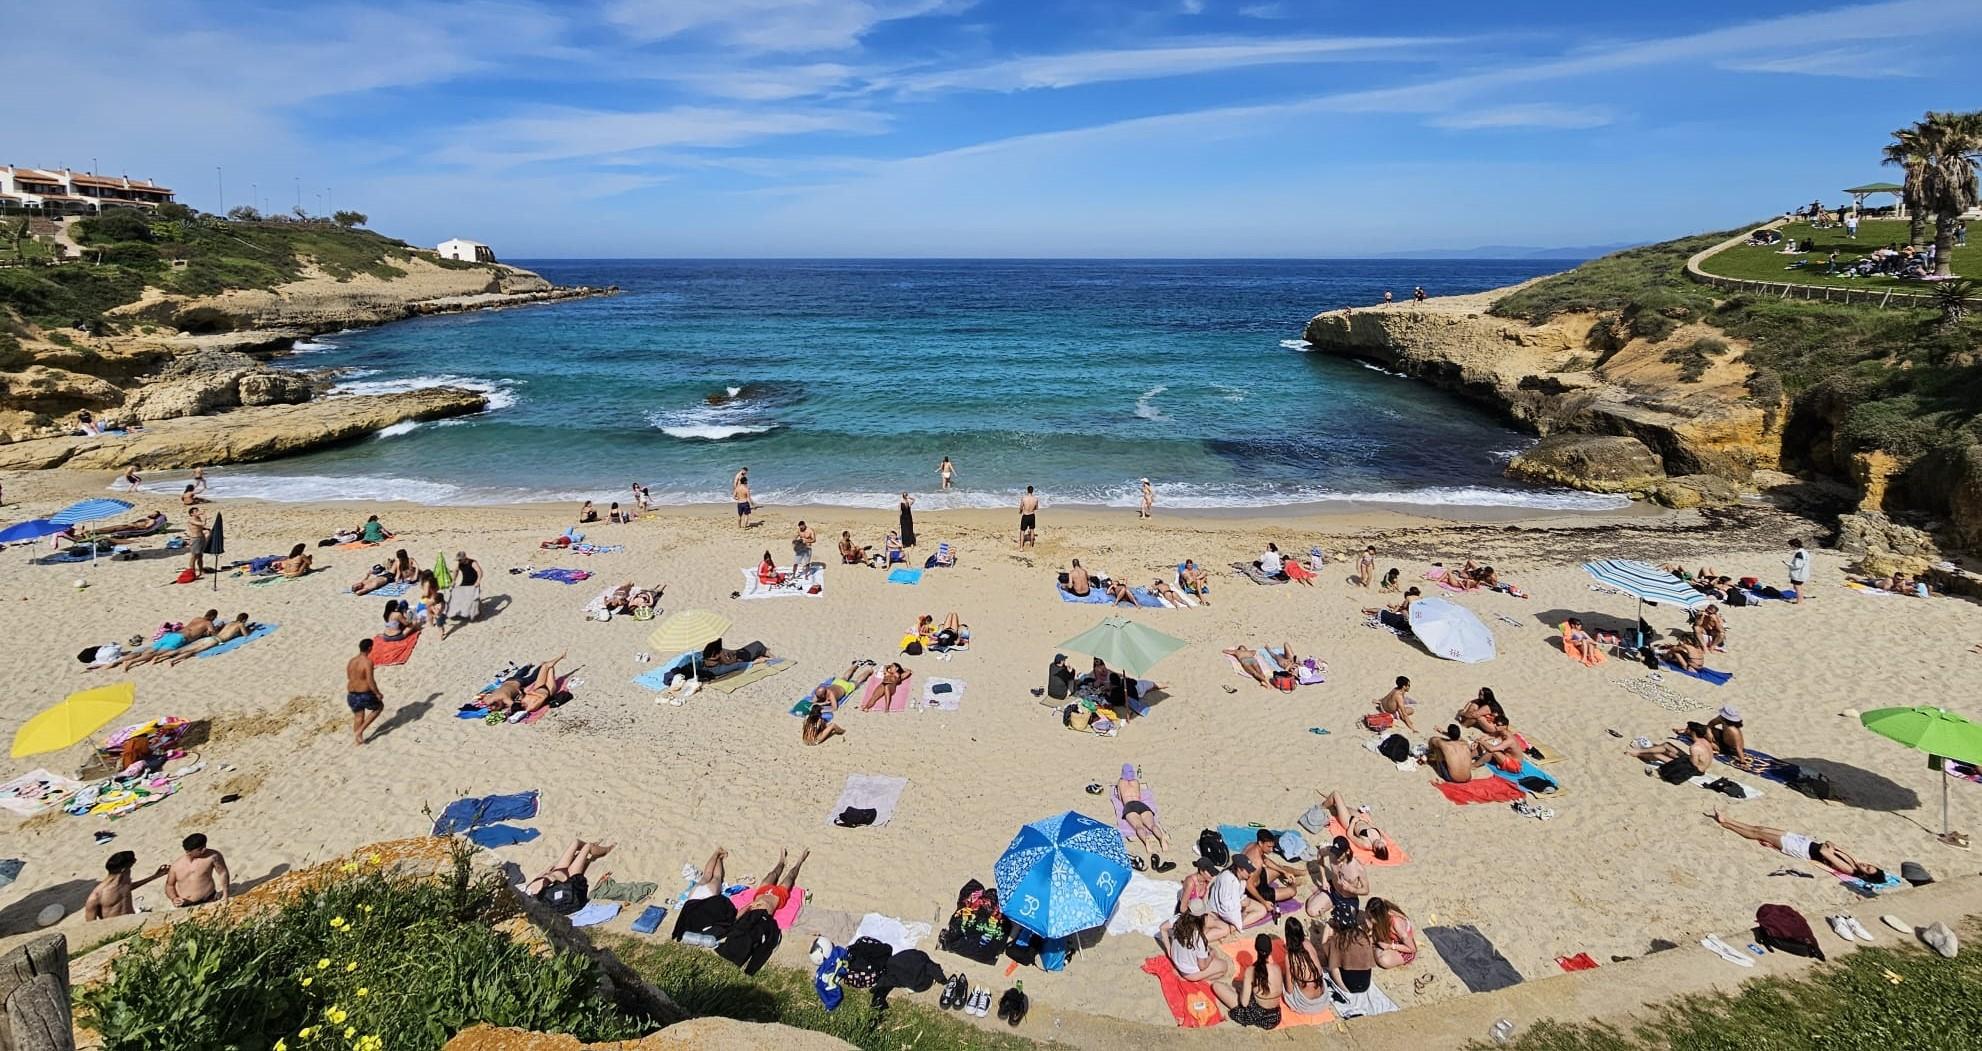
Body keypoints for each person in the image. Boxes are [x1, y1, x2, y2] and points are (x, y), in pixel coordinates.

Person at [1708, 811, 1887, 883]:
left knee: (1758, 834)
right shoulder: (1854, 862)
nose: (1866, 865)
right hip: (1805, 842)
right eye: (1870, 865)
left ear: (1864, 874)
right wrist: (1832, 847)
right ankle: (1729, 821)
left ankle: (1726, 824)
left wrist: (1830, 848)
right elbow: (1832, 845)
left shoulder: (1849, 868)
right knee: (1760, 829)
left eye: (1868, 869)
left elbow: (1826, 851)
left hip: (1801, 849)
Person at [1160, 902, 1237, 1008]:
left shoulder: (1178, 918)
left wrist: (1169, 950)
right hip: (1188, 973)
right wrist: (1211, 955)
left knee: (1209, 955)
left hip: (1177, 958)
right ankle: (1200, 980)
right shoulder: (1198, 939)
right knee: (1223, 966)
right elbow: (1202, 966)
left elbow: (1162, 927)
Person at [525, 839, 614, 915]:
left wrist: (545, 872)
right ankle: (605, 850)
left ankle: (592, 849)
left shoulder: (524, 892)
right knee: (588, 846)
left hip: (556, 871)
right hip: (569, 877)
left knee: (576, 842)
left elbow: (536, 881)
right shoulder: (538, 899)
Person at [105, 610, 218, 670]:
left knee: (147, 650)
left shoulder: (196, 618)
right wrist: (211, 631)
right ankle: (131, 662)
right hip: (179, 639)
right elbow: (213, 633)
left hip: (172, 634)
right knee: (155, 654)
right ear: (213, 617)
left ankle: (116, 662)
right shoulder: (208, 623)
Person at [477, 652, 571, 721]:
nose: (523, 702)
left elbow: (514, 703)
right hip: (548, 690)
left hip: (535, 687)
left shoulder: (516, 701)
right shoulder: (531, 707)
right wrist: (529, 692)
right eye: (522, 704)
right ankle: (534, 665)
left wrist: (525, 693)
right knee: (549, 668)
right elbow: (544, 697)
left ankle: (561, 656)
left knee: (544, 668)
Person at [1114, 764, 1173, 871]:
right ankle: (1161, 838)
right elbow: (1139, 795)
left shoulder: (1121, 782)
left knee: (1138, 826)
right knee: (1152, 825)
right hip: (1141, 805)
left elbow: (1118, 796)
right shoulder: (1136, 782)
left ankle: (1146, 841)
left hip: (1129, 806)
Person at [802, 662, 875, 745]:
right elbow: (815, 700)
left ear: (824, 693)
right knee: (846, 677)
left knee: (857, 682)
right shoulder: (821, 692)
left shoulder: (831, 695)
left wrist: (823, 704)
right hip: (837, 684)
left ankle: (869, 670)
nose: (818, 698)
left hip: (845, 688)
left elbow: (835, 707)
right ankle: (856, 665)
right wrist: (821, 704)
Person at [83, 851, 169, 920]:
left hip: (133, 920)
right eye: (131, 865)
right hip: (116, 930)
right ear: (123, 869)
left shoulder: (124, 877)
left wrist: (155, 876)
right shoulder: (96, 897)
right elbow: (91, 925)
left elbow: (127, 888)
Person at [1227, 932, 1285, 1029]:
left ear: (1256, 949)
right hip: (1275, 1016)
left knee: (1217, 986)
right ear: (1270, 951)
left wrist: (1242, 992)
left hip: (1259, 1015)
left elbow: (1244, 1003)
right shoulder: (1277, 968)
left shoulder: (1251, 971)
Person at [1320, 790, 1395, 863]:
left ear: (1374, 849)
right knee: (1339, 805)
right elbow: (1379, 830)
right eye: (1382, 844)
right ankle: (1330, 801)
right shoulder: (1383, 842)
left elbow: (1350, 835)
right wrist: (1368, 822)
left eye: (1378, 844)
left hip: (1349, 821)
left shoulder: (1366, 844)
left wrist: (1353, 821)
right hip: (1359, 817)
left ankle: (1321, 807)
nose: (1379, 841)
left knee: (1336, 794)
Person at [1324, 903, 1378, 1003]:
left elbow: (1325, 950)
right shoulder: (1363, 936)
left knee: (1333, 964)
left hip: (1349, 986)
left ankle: (1343, 988)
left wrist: (1327, 927)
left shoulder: (1337, 940)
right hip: (1365, 984)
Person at [1630, 723, 1716, 782]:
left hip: (1695, 769)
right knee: (1666, 745)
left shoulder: (1695, 747)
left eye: (1687, 729)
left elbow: (1691, 766)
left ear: (1692, 732)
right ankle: (1641, 750)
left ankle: (1637, 753)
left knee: (1657, 755)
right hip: (1697, 764)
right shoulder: (1705, 741)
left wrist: (1670, 756)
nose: (1685, 729)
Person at [1282, 917, 1334, 1016]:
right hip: (1322, 997)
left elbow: (1289, 989)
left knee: (1284, 982)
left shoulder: (1290, 957)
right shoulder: (1308, 943)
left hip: (1306, 1003)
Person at [1207, 856, 1266, 940]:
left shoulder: (1242, 879)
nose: (1251, 874)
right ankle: (1235, 925)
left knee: (1262, 910)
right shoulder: (1227, 879)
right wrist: (1240, 904)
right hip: (1219, 911)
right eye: (1248, 871)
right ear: (1239, 869)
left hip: (1236, 903)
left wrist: (1242, 900)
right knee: (1225, 930)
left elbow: (1239, 895)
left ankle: (1236, 925)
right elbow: (1225, 905)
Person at [1242, 829, 1307, 906]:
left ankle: (1303, 872)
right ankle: (1294, 883)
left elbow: (1266, 860)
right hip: (1258, 891)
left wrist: (1284, 872)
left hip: (1259, 876)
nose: (1271, 850)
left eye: (1272, 847)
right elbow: (1249, 885)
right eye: (1269, 847)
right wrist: (1264, 902)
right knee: (1292, 892)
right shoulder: (1257, 862)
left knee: (1282, 868)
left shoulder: (1251, 845)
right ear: (1260, 843)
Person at [165, 833, 231, 907]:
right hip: (185, 904)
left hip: (209, 899)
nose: (204, 849)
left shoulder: (213, 856)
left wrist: (225, 894)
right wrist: (174, 898)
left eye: (204, 846)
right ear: (188, 851)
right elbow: (169, 885)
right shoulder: (176, 866)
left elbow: (222, 873)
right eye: (200, 849)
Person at [163, 612, 254, 666]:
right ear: (244, 620)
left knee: (186, 649)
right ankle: (173, 660)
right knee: (193, 651)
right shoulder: (240, 624)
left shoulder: (230, 623)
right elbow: (246, 635)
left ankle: (162, 656)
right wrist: (250, 630)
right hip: (216, 641)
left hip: (211, 638)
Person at [346, 638, 385, 746]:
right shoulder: (368, 662)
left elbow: (349, 676)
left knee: (358, 716)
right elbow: (370, 680)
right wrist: (377, 693)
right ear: (370, 648)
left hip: (351, 694)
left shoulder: (352, 661)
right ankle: (360, 731)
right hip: (364, 694)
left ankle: (358, 740)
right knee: (378, 707)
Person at [449, 551, 483, 628]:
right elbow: (456, 571)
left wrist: (478, 582)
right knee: (459, 596)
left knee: (474, 599)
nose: (459, 561)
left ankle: (478, 614)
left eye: (460, 560)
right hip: (465, 582)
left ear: (464, 558)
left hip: (473, 583)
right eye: (458, 560)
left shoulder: (473, 562)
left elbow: (480, 572)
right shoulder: (459, 563)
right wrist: (453, 580)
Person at [418, 570, 449, 635]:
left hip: (431, 599)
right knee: (435, 609)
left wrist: (422, 595)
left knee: (429, 612)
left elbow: (426, 593)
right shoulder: (435, 580)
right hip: (437, 596)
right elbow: (438, 588)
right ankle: (438, 616)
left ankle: (431, 624)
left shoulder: (427, 582)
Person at [184, 504, 208, 580]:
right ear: (192, 513)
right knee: (194, 556)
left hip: (201, 537)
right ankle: (192, 571)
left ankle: (201, 570)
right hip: (195, 538)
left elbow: (201, 526)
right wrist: (204, 517)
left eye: (198, 510)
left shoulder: (198, 518)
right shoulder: (191, 519)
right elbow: (201, 524)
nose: (198, 512)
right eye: (196, 511)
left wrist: (207, 529)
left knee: (200, 555)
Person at [1786, 538, 1810, 604]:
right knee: (1798, 586)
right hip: (1803, 573)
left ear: (1794, 545)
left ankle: (1799, 601)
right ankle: (1800, 599)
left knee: (1797, 587)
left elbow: (1797, 566)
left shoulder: (1799, 553)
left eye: (1791, 546)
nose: (1791, 547)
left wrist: (1787, 564)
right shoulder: (1804, 552)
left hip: (1799, 574)